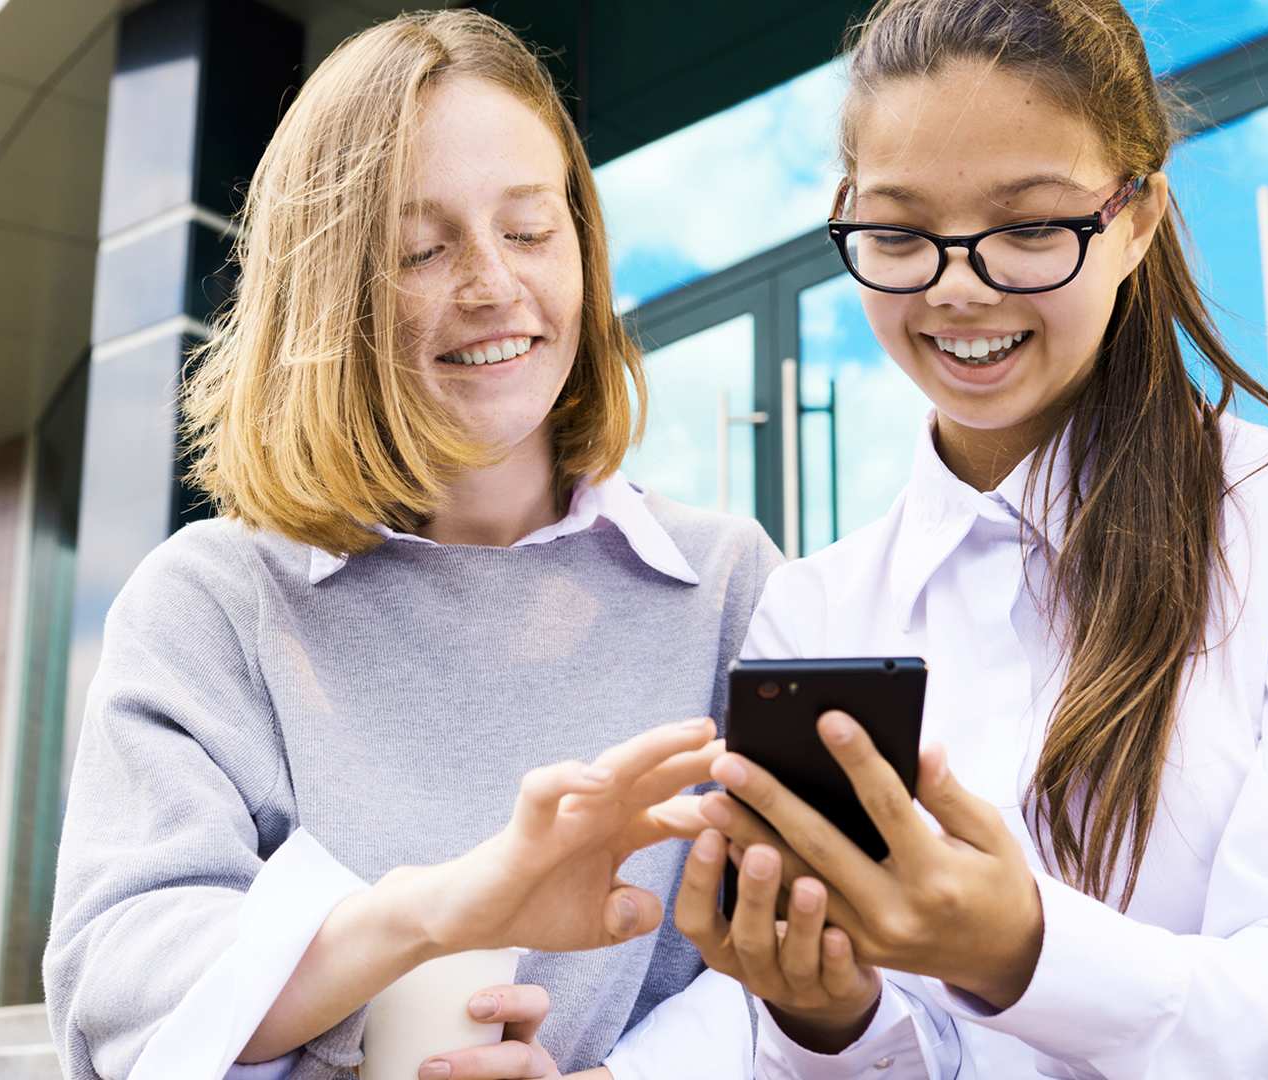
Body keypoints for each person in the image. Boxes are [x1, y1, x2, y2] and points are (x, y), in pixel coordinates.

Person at [627, 1, 1268, 1077]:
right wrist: (827, 1019)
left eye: (1031, 227)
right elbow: (893, 1056)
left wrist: (1022, 948)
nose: (957, 285)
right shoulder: (819, 609)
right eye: (898, 232)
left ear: (1135, 218)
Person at [40, 10, 776, 1079]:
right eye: (422, 250)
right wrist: (429, 918)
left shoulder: (724, 583)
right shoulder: (215, 603)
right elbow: (118, 991)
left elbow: (817, 970)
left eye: (529, 231)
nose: (492, 285)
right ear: (326, 296)